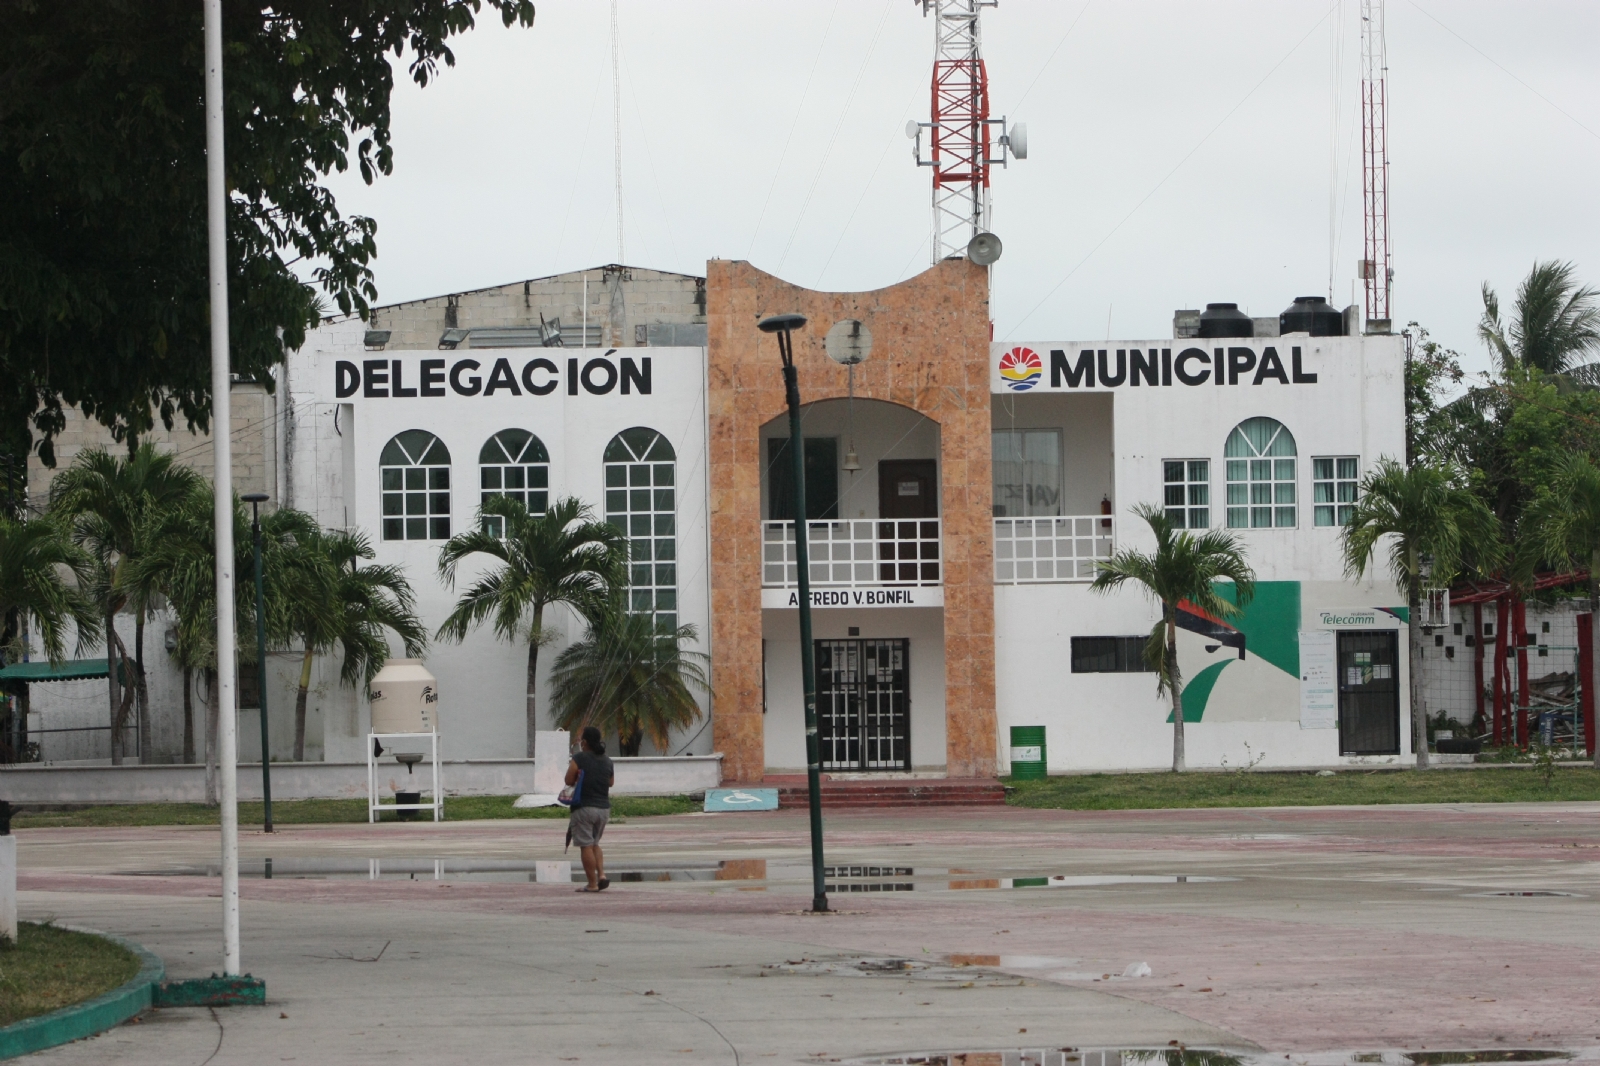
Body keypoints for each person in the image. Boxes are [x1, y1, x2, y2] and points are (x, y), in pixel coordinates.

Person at [566, 726, 615, 892]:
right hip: (603, 809)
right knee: (595, 843)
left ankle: (592, 884)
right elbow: (610, 782)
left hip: (584, 808)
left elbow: (568, 779)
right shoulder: (607, 760)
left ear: (584, 742)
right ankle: (601, 875)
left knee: (585, 845)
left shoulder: (579, 758)